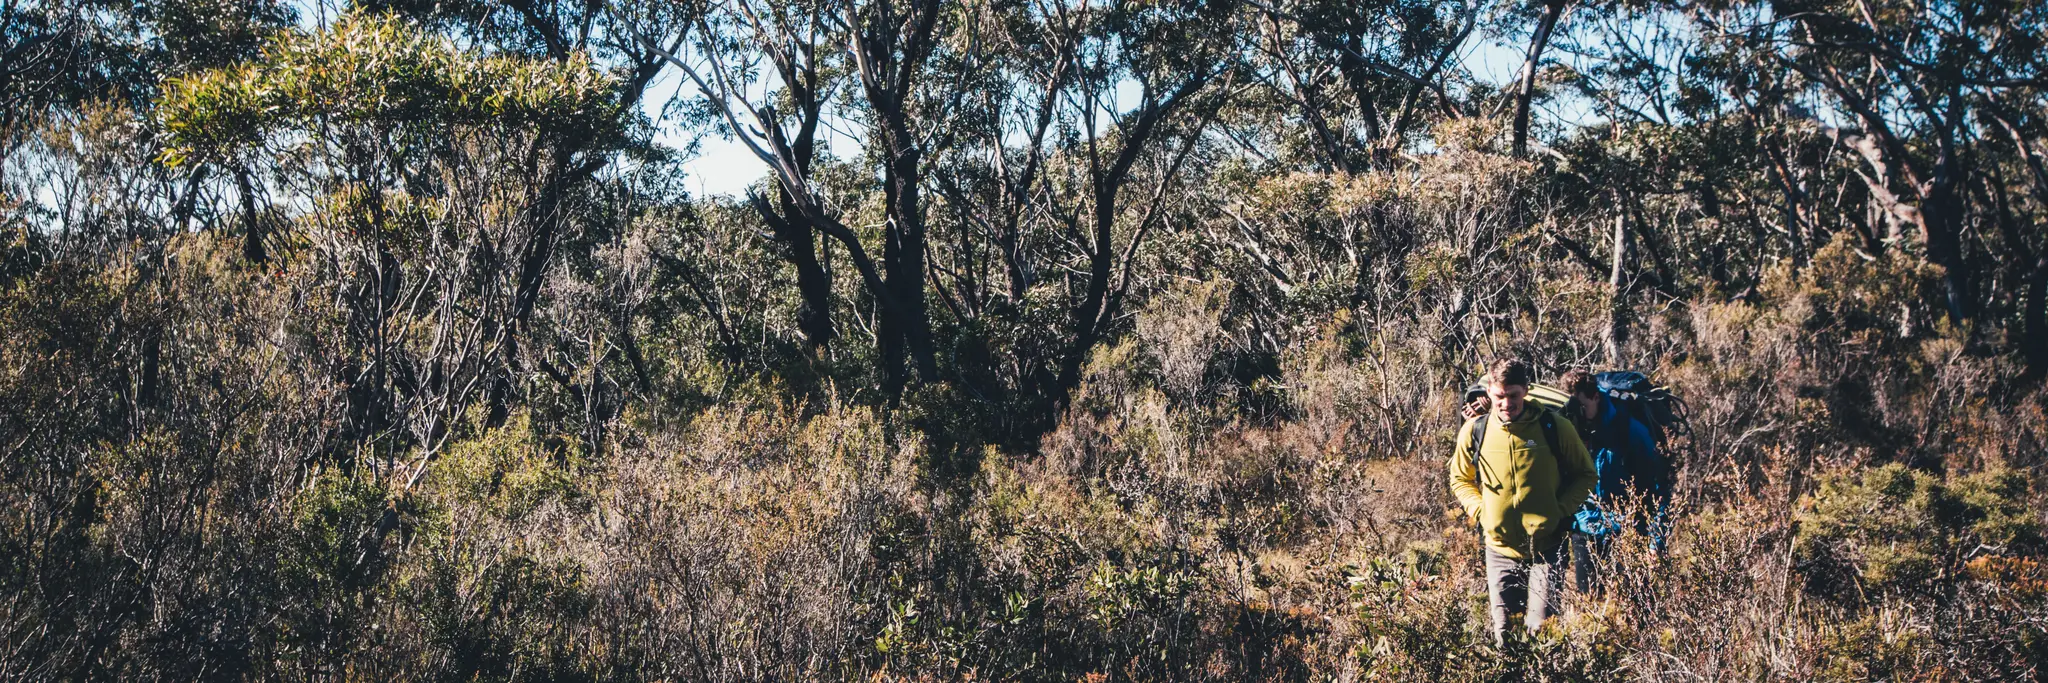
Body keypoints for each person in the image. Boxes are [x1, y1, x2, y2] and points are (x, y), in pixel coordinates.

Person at [1449, 359, 1597, 646]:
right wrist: (1481, 511)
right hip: (1499, 549)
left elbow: (1586, 475)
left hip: (1547, 547)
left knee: (1542, 633)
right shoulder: (1475, 431)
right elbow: (1459, 479)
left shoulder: (1554, 427)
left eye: (1513, 395)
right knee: (1506, 638)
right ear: (1489, 391)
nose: (1506, 404)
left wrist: (1560, 510)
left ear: (1526, 391)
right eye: (1499, 396)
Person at [1558, 369, 1670, 594]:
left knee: (1638, 604)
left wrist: (1655, 541)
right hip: (1585, 525)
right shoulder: (1566, 429)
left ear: (1596, 397)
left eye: (1582, 407)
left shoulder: (1630, 430)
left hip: (1630, 527)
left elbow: (1658, 489)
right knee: (1591, 603)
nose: (1577, 415)